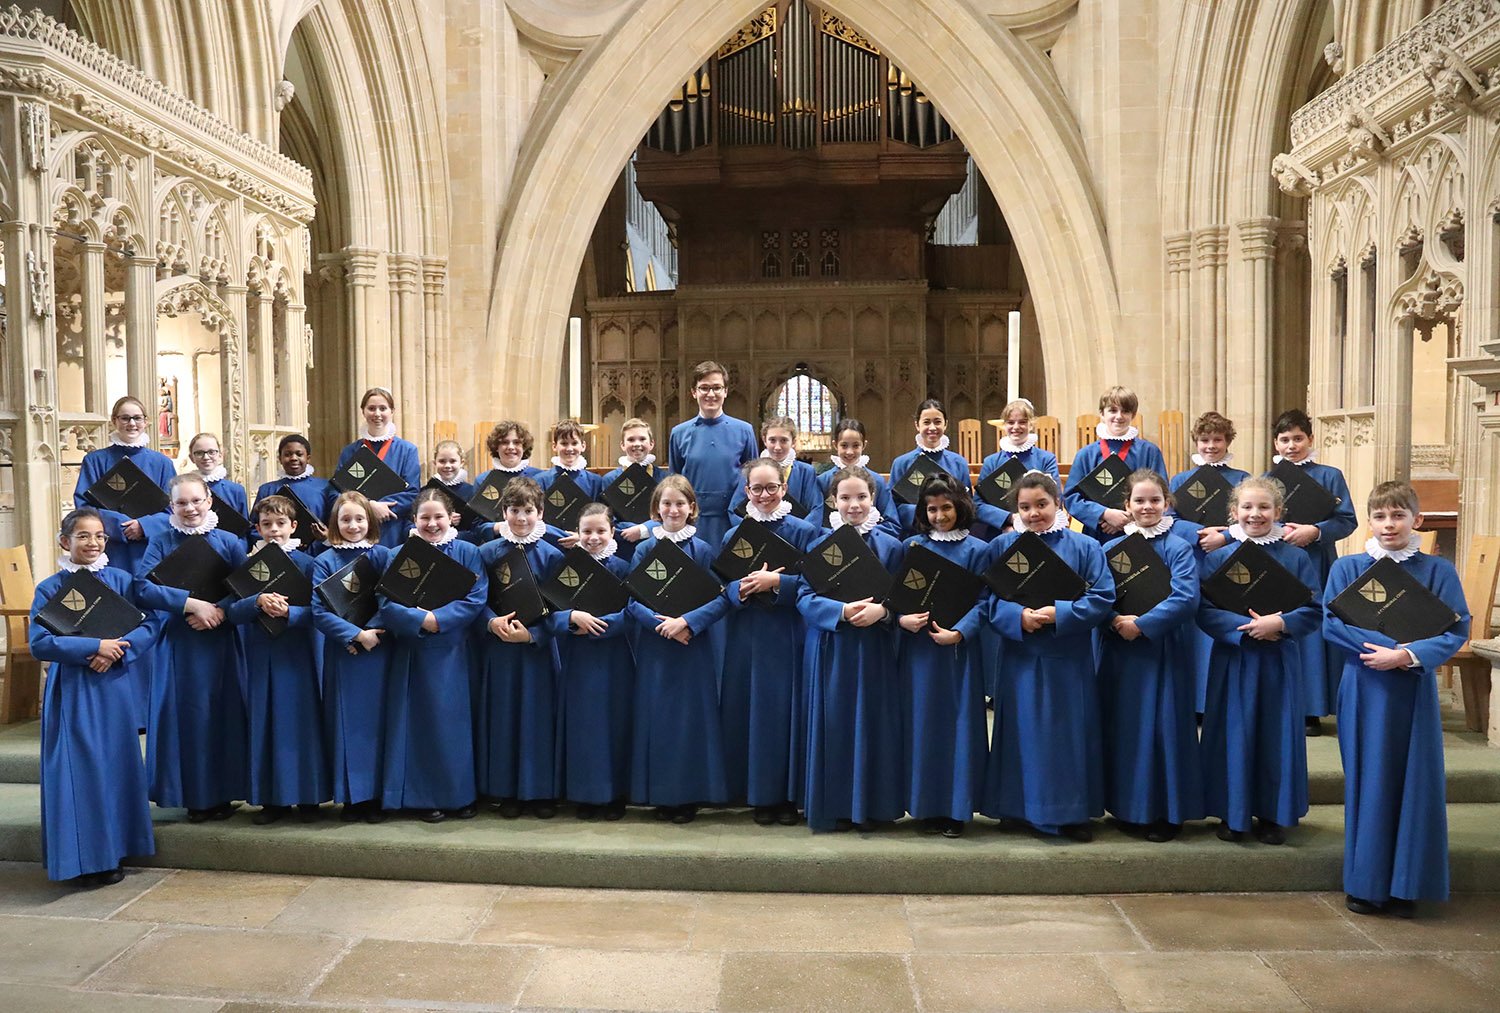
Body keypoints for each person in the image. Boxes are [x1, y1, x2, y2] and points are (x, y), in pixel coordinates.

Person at [1324, 481, 1470, 917]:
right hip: (1365, 684)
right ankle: (1367, 885)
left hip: (1412, 687)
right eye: (1381, 516)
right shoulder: (1348, 568)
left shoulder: (1437, 571)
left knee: (1415, 782)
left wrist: (1406, 654)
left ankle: (1408, 885)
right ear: (1369, 522)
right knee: (1369, 782)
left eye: (1398, 515)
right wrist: (1382, 650)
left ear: (1416, 521)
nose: (1389, 525)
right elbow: (1332, 624)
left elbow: (1455, 629)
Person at [980, 471, 1114, 841]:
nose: (1034, 513)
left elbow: (1102, 597)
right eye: (1025, 507)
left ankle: (1070, 813)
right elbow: (986, 601)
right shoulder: (1001, 548)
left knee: (1065, 733)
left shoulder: (1085, 547)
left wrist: (1062, 613)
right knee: (1021, 729)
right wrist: (1016, 616)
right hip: (1021, 652)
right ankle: (1016, 808)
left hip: (1066, 655)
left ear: (1059, 505)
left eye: (1042, 504)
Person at [31, 508, 158, 885]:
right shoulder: (51, 588)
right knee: (81, 771)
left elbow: (150, 624)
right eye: (84, 536)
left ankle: (116, 850)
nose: (93, 543)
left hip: (114, 688)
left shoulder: (120, 579)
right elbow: (40, 642)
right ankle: (83, 859)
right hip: (74, 690)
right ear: (65, 542)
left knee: (116, 767)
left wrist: (116, 650)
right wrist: (94, 647)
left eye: (100, 536)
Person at [1198, 476, 1322, 846]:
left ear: (1279, 512)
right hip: (1234, 658)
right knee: (1232, 732)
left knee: (1275, 734)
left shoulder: (1296, 557)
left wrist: (1280, 624)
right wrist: (1243, 628)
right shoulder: (1218, 558)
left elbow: (1314, 609)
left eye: (1264, 507)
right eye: (1247, 508)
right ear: (1233, 513)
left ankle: (1272, 814)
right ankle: (1232, 814)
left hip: (1277, 659)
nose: (1255, 514)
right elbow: (1203, 609)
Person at [797, 465, 907, 832]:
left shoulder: (892, 547)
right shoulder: (817, 544)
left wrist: (884, 611)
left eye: (861, 497)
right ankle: (836, 806)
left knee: (873, 723)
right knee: (835, 725)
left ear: (873, 499)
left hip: (874, 648)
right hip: (832, 647)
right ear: (833, 500)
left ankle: (873, 807)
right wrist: (840, 611)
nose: (854, 504)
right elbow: (804, 597)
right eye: (845, 497)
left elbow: (903, 600)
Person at [135, 473, 249, 823]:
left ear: (209, 502)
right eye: (182, 503)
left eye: (196, 501)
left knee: (223, 715)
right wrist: (190, 604)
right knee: (190, 717)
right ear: (171, 506)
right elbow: (143, 588)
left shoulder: (229, 541)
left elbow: (244, 587)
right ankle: (196, 797)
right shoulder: (161, 541)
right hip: (181, 641)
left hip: (221, 640)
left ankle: (226, 791)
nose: (190, 508)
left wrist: (219, 611)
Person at [1098, 470, 1204, 842]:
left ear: (1167, 503)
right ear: (1126, 506)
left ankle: (1165, 812)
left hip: (1162, 648)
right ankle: (1128, 808)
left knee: (1162, 728)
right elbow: (1097, 595)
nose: (1147, 507)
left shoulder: (1178, 547)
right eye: (1139, 501)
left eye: (1154, 500)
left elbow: (1187, 597)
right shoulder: (1110, 550)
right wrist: (1113, 619)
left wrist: (1143, 623)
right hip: (1121, 652)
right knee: (1126, 727)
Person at [719, 458, 823, 825]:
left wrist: (778, 583)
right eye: (757, 489)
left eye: (772, 488)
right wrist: (740, 588)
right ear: (746, 492)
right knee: (753, 713)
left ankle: (788, 796)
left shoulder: (804, 531)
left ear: (784, 489)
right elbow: (723, 586)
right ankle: (758, 795)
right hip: (747, 635)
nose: (764, 495)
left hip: (788, 632)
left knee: (785, 712)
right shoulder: (735, 535)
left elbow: (817, 585)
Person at [377, 486, 487, 821]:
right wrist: (421, 619)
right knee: (422, 725)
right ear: (414, 519)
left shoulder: (468, 552)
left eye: (438, 516)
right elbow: (386, 601)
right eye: (425, 517)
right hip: (414, 650)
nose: (432, 523)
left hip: (455, 651)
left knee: (456, 725)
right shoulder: (398, 553)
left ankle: (461, 795)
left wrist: (440, 619)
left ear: (451, 518)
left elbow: (477, 596)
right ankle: (426, 797)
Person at [625, 475, 730, 823]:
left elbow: (719, 599)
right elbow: (631, 599)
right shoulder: (643, 549)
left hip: (691, 647)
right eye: (667, 504)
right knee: (658, 719)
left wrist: (686, 624)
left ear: (692, 509)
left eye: (680, 504)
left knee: (689, 721)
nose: (673, 510)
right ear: (657, 510)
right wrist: (663, 626)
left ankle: (688, 796)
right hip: (657, 646)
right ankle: (659, 794)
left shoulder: (702, 550)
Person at [895, 474, 988, 838]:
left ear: (960, 507)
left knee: (958, 727)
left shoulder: (978, 550)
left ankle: (956, 808)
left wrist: (960, 631)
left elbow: (986, 602)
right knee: (922, 726)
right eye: (931, 509)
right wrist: (902, 619)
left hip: (958, 651)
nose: (939, 515)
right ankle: (924, 806)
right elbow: (893, 597)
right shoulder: (911, 548)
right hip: (919, 653)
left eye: (946, 507)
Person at [231, 495, 329, 825]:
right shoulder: (247, 565)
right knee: (265, 722)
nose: (274, 531)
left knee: (302, 724)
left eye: (280, 524)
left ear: (294, 526)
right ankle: (272, 800)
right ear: (256, 529)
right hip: (261, 653)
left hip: (298, 653)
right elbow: (233, 611)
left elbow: (320, 611)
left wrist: (291, 612)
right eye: (267, 525)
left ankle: (309, 797)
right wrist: (256, 601)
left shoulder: (308, 564)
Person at [475, 476, 564, 818]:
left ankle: (541, 792)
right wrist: (489, 621)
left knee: (539, 718)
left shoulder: (553, 556)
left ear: (540, 512)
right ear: (504, 512)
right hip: (500, 649)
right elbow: (476, 600)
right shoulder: (487, 553)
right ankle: (508, 791)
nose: (522, 518)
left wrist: (533, 636)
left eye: (528, 511)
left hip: (538, 650)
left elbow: (560, 609)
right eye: (514, 511)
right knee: (505, 717)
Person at [1270, 408, 1358, 736]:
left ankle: (1311, 709)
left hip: (1317, 560)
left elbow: (1347, 520)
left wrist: (1315, 531)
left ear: (1310, 439)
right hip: (1279, 561)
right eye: (1284, 440)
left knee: (1310, 626)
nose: (1291, 446)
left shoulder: (1329, 475)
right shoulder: (1268, 479)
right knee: (1282, 623)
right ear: (1275, 443)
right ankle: (1281, 702)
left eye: (1297, 438)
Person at [311, 491, 392, 823]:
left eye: (359, 519)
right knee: (348, 725)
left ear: (370, 522)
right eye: (346, 519)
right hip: (344, 653)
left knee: (380, 725)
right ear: (335, 523)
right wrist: (354, 635)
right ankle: (352, 796)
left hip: (381, 650)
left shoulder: (385, 556)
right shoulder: (324, 560)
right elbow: (318, 610)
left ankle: (379, 795)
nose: (353, 525)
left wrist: (371, 631)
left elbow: (393, 599)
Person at [551, 503, 635, 819]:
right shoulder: (566, 567)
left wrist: (604, 626)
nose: (594, 537)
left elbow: (633, 610)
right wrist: (571, 618)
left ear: (612, 532)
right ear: (578, 533)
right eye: (587, 531)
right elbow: (547, 609)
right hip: (577, 656)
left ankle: (614, 794)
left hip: (614, 656)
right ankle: (584, 794)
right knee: (583, 724)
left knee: (614, 722)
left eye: (601, 531)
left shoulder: (623, 568)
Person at [74, 396, 177, 578]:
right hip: (112, 547)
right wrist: (120, 525)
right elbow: (84, 507)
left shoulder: (162, 463)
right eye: (125, 418)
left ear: (146, 422)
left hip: (151, 547)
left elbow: (174, 509)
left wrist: (144, 526)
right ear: (114, 421)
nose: (131, 423)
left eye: (137, 418)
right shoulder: (95, 460)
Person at [668, 360, 759, 549]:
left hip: (732, 519)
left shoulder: (744, 430)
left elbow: (753, 477)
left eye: (717, 388)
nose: (711, 394)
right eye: (704, 388)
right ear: (694, 392)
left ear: (726, 391)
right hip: (693, 520)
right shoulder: (679, 433)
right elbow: (675, 481)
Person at [1064, 386, 1168, 542]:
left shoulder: (1149, 452)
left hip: (1140, 532)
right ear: (1102, 414)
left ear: (1132, 415)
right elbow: (1071, 497)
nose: (1119, 416)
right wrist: (1105, 514)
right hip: (1097, 533)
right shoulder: (1086, 455)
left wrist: (1129, 518)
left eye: (1125, 411)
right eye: (1112, 410)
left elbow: (1162, 493)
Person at [335, 386, 421, 549]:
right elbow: (336, 490)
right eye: (371, 408)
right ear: (363, 411)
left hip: (393, 528)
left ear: (392, 411)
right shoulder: (349, 451)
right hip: (356, 530)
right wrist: (368, 507)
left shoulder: (408, 450)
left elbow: (413, 493)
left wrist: (382, 507)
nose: (377, 414)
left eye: (383, 408)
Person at [973, 398, 1059, 540]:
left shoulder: (1046, 459)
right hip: (1000, 532)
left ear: (1031, 424)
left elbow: (1056, 498)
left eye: (1022, 422)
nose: (1016, 427)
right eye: (1010, 422)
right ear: (1004, 425)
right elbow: (977, 504)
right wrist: (1009, 520)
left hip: (1039, 531)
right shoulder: (991, 462)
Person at [887, 399, 973, 534]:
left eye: (937, 422)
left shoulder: (958, 463)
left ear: (946, 424)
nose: (932, 427)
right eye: (926, 422)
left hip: (951, 532)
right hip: (915, 533)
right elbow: (891, 506)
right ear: (917, 425)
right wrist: (925, 512)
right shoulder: (901, 463)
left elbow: (968, 503)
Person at [599, 417, 668, 562]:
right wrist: (631, 529)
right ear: (622, 445)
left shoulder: (664, 478)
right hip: (624, 544)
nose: (637, 444)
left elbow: (670, 513)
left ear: (651, 443)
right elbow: (607, 517)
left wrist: (644, 529)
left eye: (642, 439)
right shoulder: (610, 479)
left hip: (658, 542)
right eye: (631, 440)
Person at [814, 417, 899, 535]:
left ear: (864, 445)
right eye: (844, 445)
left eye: (855, 445)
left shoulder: (877, 481)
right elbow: (816, 521)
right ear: (835, 445)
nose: (850, 452)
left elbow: (892, 524)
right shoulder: (822, 481)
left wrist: (867, 534)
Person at [727, 416, 820, 519]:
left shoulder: (805, 472)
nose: (777, 447)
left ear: (793, 442)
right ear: (764, 440)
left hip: (795, 531)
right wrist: (750, 532)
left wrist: (803, 531)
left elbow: (816, 509)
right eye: (772, 440)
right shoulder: (751, 471)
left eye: (784, 440)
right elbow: (734, 511)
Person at [253, 434, 332, 547]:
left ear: (308, 458)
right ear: (279, 458)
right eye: (287, 454)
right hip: (276, 551)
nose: (294, 458)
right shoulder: (267, 489)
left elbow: (333, 523)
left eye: (299, 454)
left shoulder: (325, 487)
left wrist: (326, 537)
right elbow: (254, 526)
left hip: (317, 551)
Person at [185, 432, 250, 544]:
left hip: (230, 550)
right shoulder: (184, 488)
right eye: (199, 453)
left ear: (220, 455)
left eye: (211, 452)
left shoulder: (235, 490)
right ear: (192, 457)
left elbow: (244, 530)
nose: (206, 457)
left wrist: (237, 548)